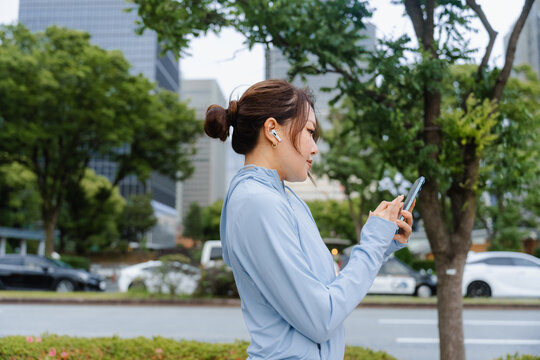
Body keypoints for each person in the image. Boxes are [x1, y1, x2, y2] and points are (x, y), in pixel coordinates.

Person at [204, 79, 414, 359]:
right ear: (272, 130)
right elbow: (321, 318)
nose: (314, 148)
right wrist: (372, 245)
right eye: (310, 132)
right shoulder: (257, 202)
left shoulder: (283, 198)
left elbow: (328, 290)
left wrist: (381, 245)